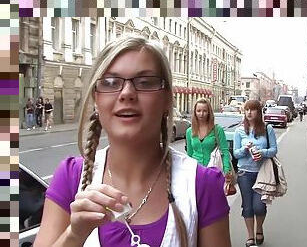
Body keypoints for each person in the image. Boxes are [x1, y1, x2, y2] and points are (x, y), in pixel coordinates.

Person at [34, 35, 231, 247]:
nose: (127, 93)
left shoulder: (203, 185)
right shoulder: (70, 177)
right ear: (96, 100)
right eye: (110, 82)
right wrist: (74, 234)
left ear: (167, 99)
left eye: (145, 82)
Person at [233, 100, 277, 247]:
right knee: (247, 206)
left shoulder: (267, 128)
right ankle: (250, 236)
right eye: (247, 110)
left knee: (259, 205)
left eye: (252, 110)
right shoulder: (239, 130)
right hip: (244, 173)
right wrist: (245, 149)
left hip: (262, 173)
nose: (249, 113)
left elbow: (274, 150)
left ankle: (259, 228)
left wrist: (262, 152)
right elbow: (236, 154)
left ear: (259, 112)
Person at [185, 98, 233, 183]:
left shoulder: (217, 130)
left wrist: (227, 171)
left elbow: (225, 152)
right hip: (196, 172)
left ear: (209, 112)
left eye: (204, 111)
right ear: (195, 112)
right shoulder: (189, 131)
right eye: (198, 111)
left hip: (213, 171)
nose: (201, 114)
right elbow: (189, 154)